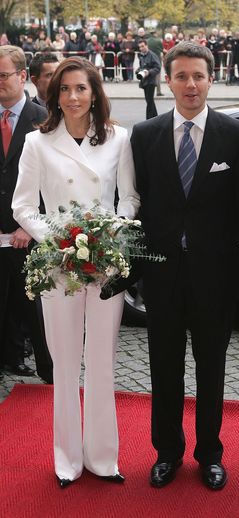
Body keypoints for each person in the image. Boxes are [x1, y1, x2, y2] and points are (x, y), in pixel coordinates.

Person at [130, 41, 239, 490]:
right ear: (168, 81)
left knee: (211, 369)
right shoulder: (143, 136)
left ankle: (209, 455)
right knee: (164, 368)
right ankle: (166, 453)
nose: (190, 84)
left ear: (211, 78)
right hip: (161, 275)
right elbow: (136, 206)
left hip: (214, 277)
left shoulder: (237, 137)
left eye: (198, 76)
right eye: (181, 76)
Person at [12, 56, 140, 488]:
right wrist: (62, 239)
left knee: (102, 362)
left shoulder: (119, 138)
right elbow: (23, 206)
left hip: (105, 264)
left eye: (80, 89)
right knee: (65, 365)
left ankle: (104, 459)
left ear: (94, 92)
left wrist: (111, 234)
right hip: (59, 264)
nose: (72, 97)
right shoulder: (38, 142)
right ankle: (66, 460)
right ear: (54, 95)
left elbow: (129, 199)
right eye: (64, 89)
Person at [0, 46, 47, 378]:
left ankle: (47, 366)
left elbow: (52, 182)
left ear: (21, 76)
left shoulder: (43, 119)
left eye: (3, 76)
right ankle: (7, 357)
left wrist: (30, 226)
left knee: (33, 305)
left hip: (27, 233)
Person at [136, 39, 161, 119]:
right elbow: (142, 66)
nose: (141, 48)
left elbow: (158, 67)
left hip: (151, 81)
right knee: (149, 101)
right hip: (144, 81)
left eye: (143, 46)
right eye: (140, 47)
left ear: (147, 45)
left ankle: (149, 119)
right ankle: (155, 118)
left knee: (149, 101)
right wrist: (138, 70)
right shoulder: (141, 55)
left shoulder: (152, 55)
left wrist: (149, 72)